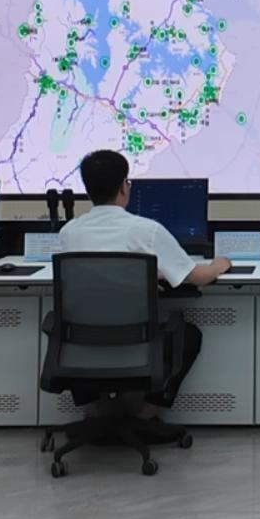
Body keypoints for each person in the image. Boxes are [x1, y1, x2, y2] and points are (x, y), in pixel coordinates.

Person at [56, 149, 233, 418]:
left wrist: (144, 277)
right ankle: (146, 415)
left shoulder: (69, 233)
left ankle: (95, 413)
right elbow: (197, 278)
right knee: (188, 334)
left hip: (83, 343)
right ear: (123, 187)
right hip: (135, 341)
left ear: (88, 190)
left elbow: (94, 275)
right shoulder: (146, 230)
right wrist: (219, 265)